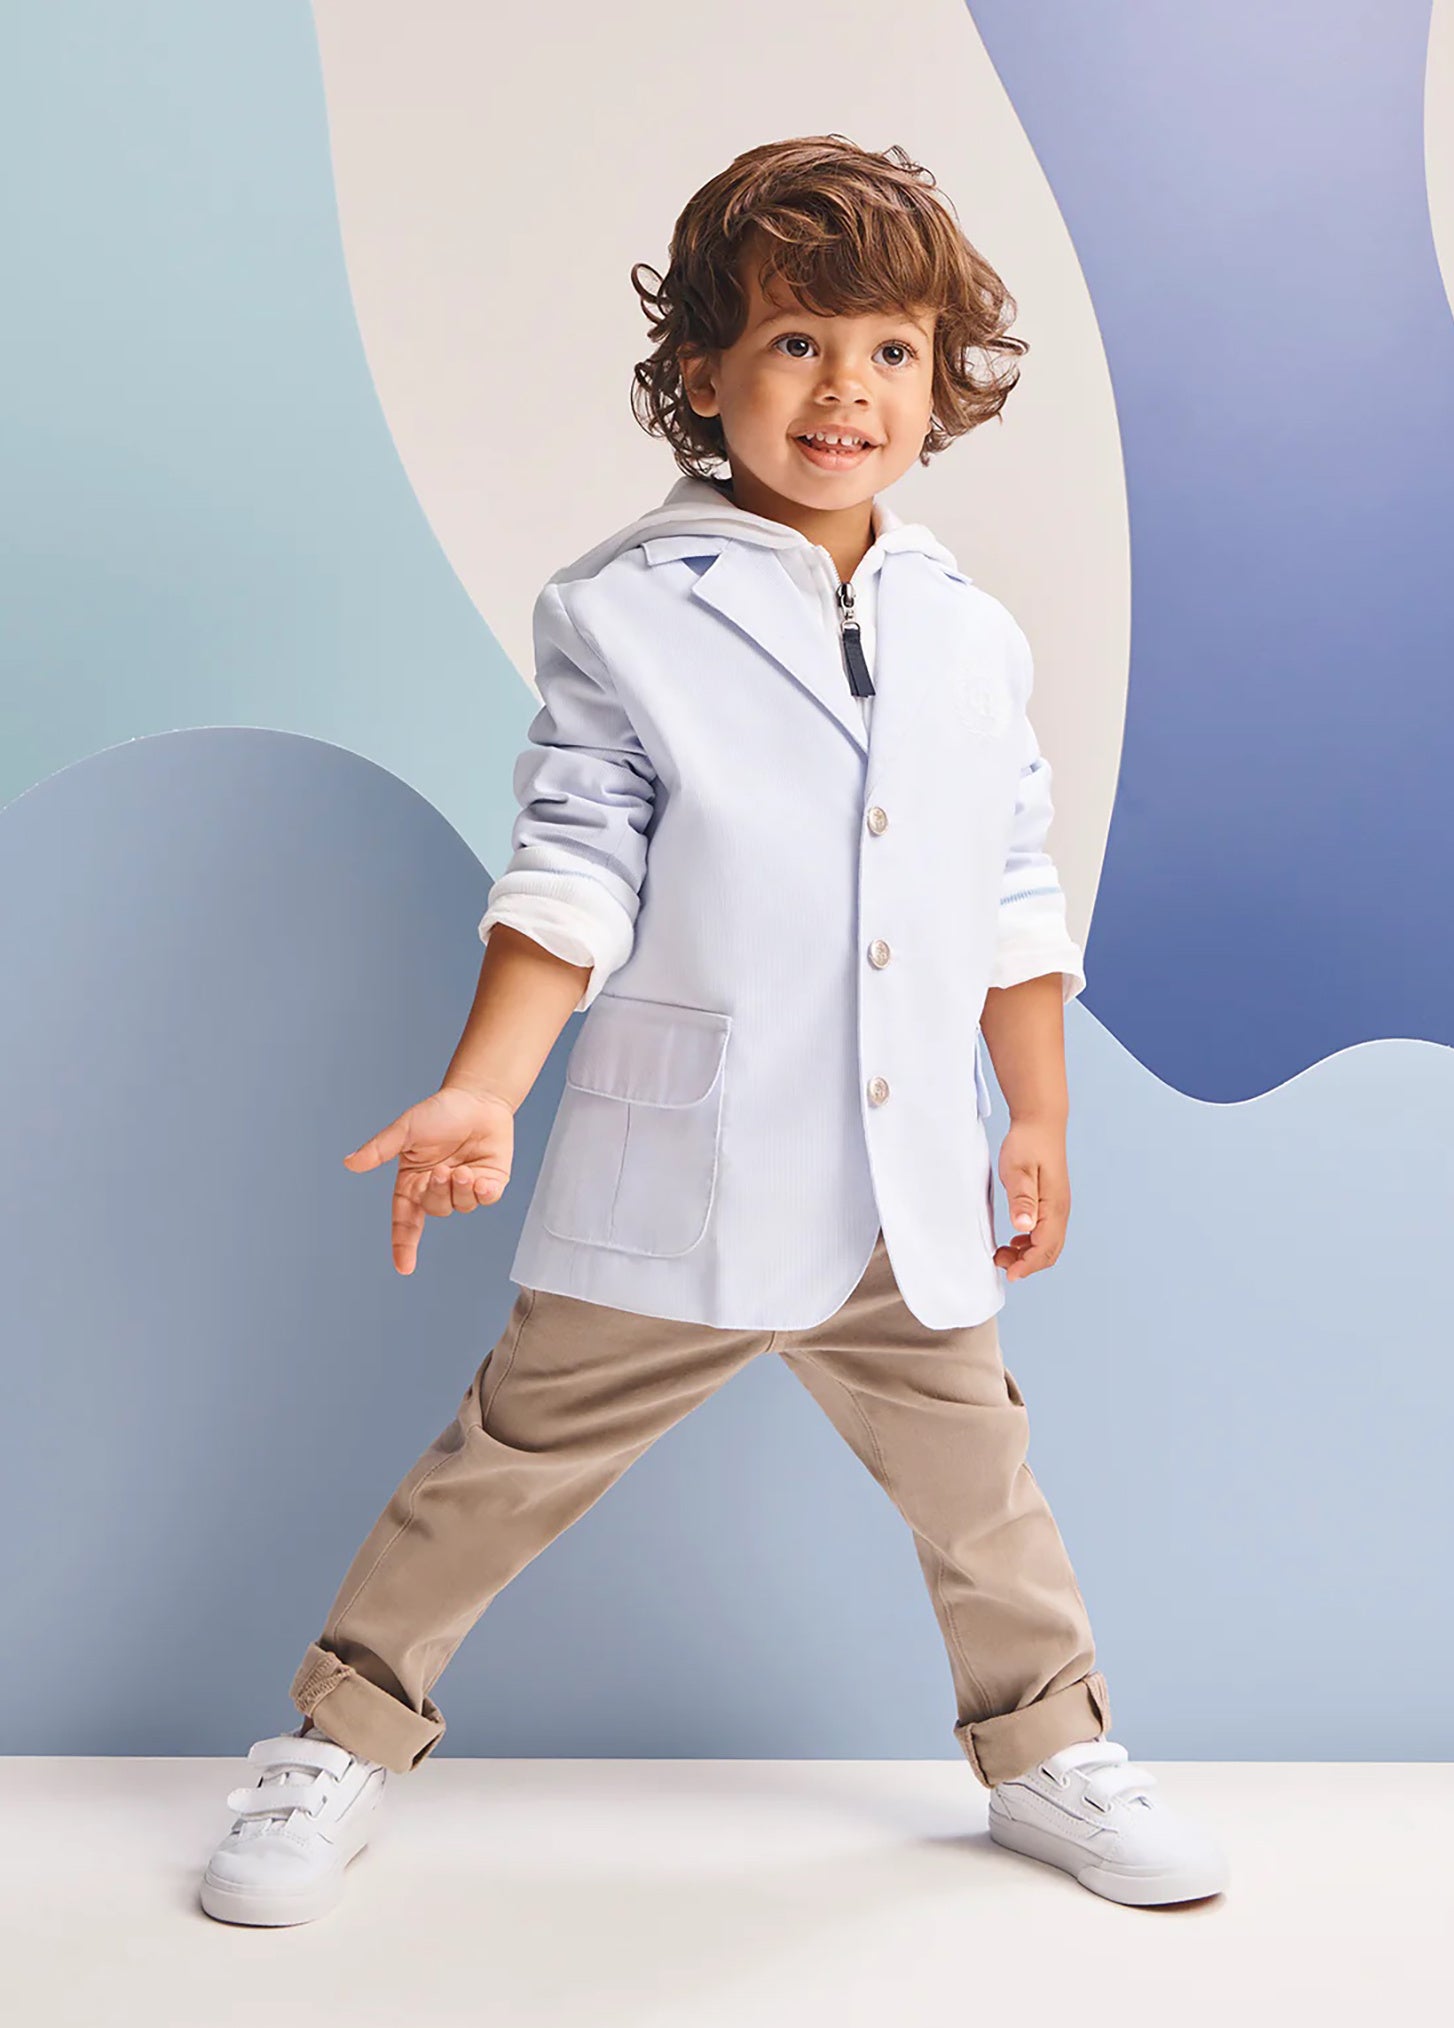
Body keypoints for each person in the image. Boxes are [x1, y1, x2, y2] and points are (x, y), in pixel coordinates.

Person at [200, 135, 1227, 1927]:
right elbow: (573, 866)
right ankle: (336, 1745)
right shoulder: (622, 613)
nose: (847, 392)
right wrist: (485, 1084)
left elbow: (1012, 885)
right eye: (796, 344)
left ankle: (1047, 1751)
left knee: (982, 1488)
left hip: (903, 1192)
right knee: (501, 1470)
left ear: (943, 379)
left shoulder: (971, 635)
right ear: (702, 373)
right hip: (686, 1180)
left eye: (891, 350)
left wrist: (1039, 1114)